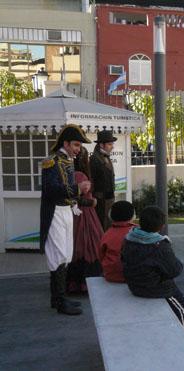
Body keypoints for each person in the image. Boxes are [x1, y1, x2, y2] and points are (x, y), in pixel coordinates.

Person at [40, 125, 91, 315]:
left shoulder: (68, 161)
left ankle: (58, 298)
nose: (78, 149)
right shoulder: (51, 162)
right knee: (59, 255)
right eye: (76, 145)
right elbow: (51, 190)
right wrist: (79, 189)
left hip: (66, 211)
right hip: (55, 212)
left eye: (79, 145)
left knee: (66, 254)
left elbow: (68, 192)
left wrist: (83, 200)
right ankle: (60, 301)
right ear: (66, 143)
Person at [121, 206, 184, 332]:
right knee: (181, 306)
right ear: (161, 226)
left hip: (133, 285)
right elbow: (175, 270)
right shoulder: (160, 245)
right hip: (154, 288)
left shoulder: (129, 238)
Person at [67, 147, 103, 294]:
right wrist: (92, 202)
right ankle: (84, 283)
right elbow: (76, 198)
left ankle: (72, 283)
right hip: (84, 215)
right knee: (86, 245)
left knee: (75, 245)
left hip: (75, 216)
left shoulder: (69, 174)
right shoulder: (80, 175)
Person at [98, 201, 135, 283]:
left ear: (111, 215)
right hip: (135, 275)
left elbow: (101, 255)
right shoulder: (138, 231)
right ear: (133, 215)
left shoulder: (107, 234)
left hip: (111, 275)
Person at [90, 130, 117, 231]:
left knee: (109, 226)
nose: (112, 146)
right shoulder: (94, 159)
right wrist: (94, 197)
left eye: (112, 144)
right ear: (101, 144)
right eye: (110, 144)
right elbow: (91, 180)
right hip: (101, 201)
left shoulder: (106, 157)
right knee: (102, 228)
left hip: (109, 199)